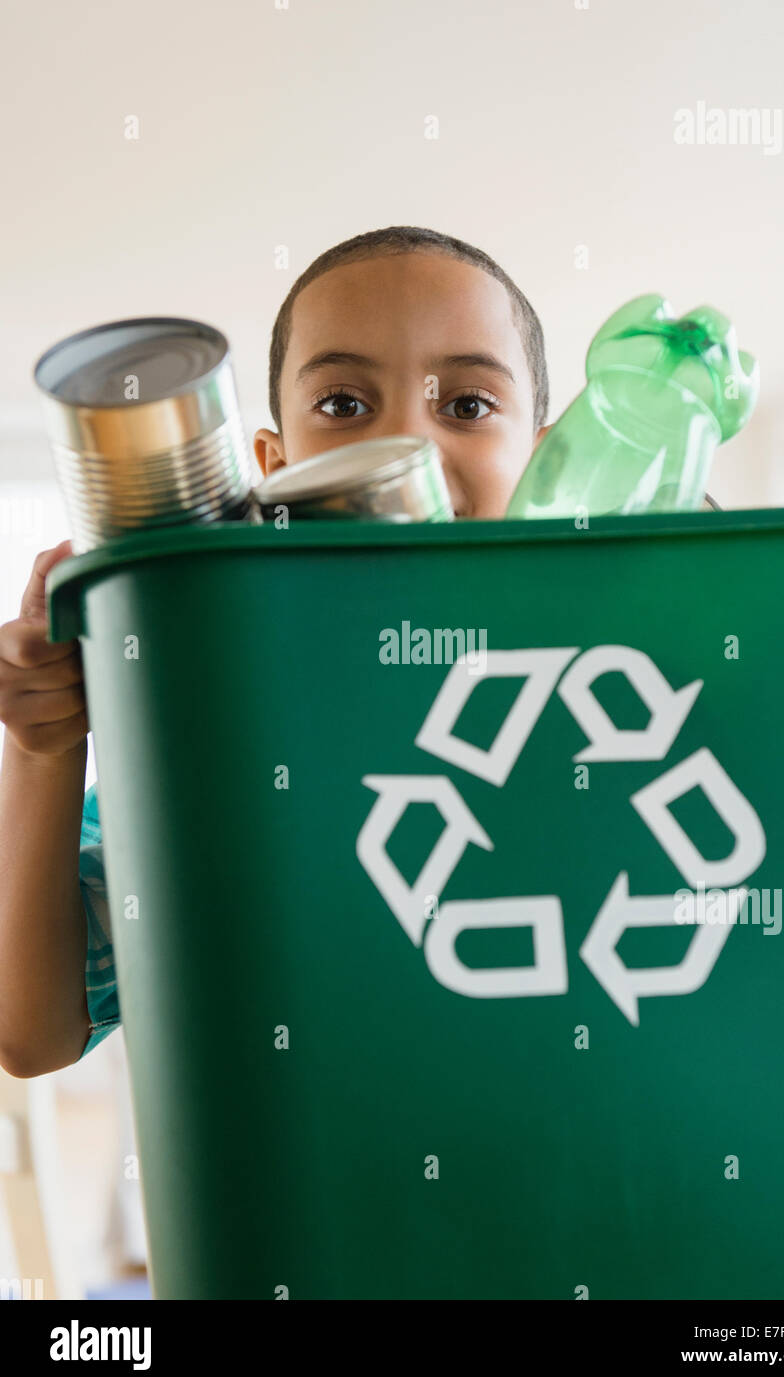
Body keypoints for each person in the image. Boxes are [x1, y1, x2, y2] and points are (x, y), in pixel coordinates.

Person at [0, 225, 556, 1077]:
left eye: (467, 406)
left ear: (545, 463)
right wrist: (44, 747)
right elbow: (32, 1033)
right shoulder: (221, 741)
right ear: (271, 466)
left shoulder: (596, 679)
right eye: (342, 405)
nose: (402, 444)